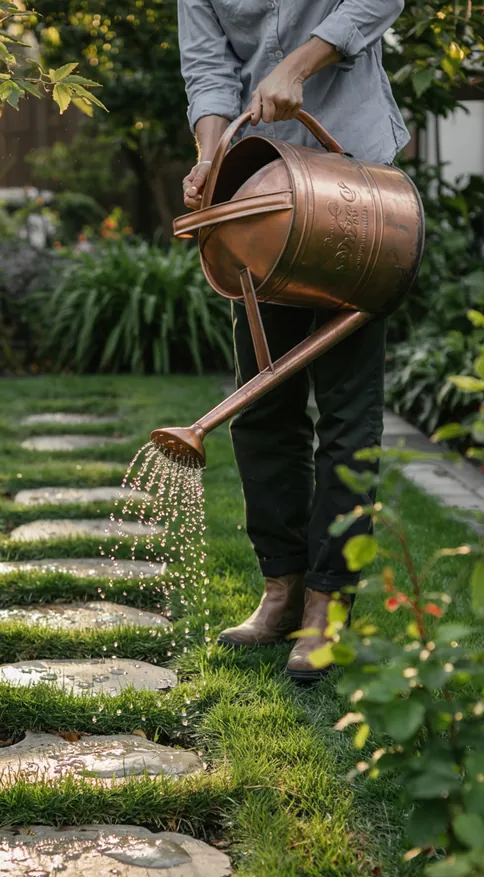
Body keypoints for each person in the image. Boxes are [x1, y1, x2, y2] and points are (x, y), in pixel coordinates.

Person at [177, 0, 409, 682]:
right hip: (262, 183)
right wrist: (211, 151)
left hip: (356, 179)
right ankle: (281, 586)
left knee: (346, 412)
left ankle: (327, 604)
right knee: (262, 402)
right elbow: (207, 65)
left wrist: (299, 63)